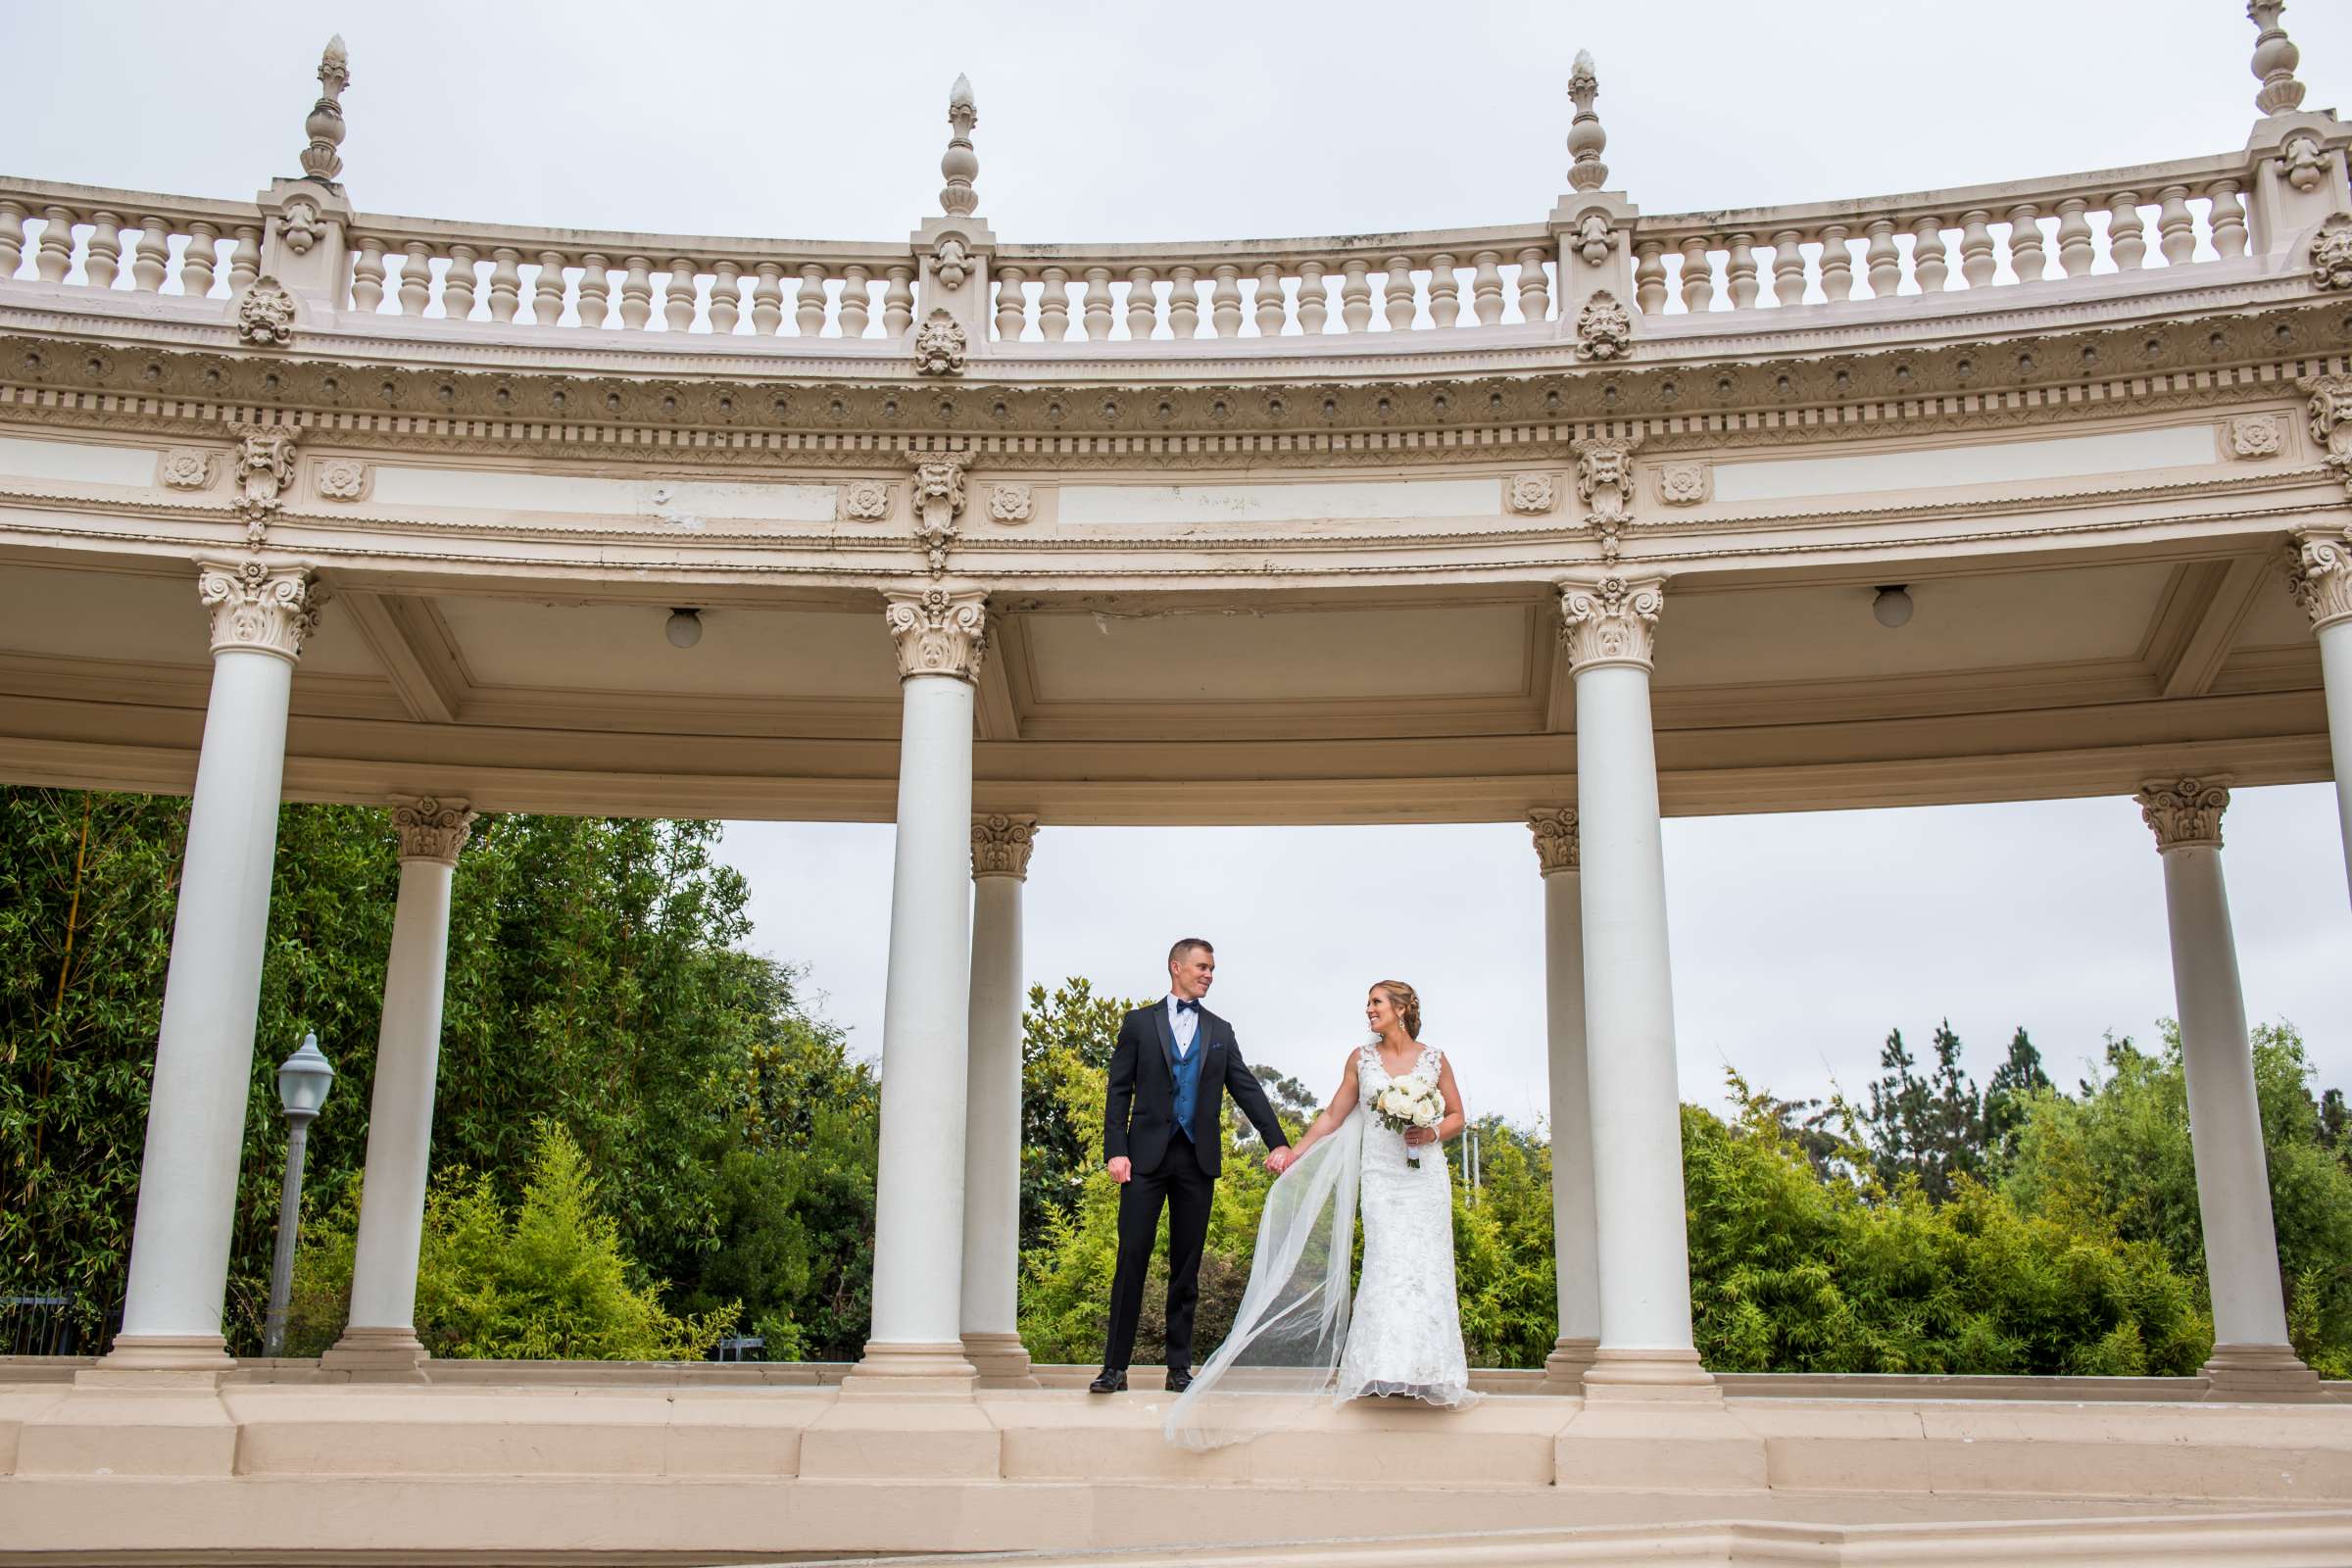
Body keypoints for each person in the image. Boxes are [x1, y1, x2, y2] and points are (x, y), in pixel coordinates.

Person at [1163, 978, 1478, 1447]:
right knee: (1387, 1263)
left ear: (1401, 1008)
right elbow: (1333, 1114)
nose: (1368, 1010)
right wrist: (1294, 1152)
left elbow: (1457, 1115)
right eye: (1368, 1003)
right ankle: (1381, 1366)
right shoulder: (1361, 1058)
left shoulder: (1435, 1059)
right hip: (1381, 1176)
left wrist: (1430, 1132)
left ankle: (1431, 1369)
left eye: (1375, 1003)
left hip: (1424, 1177)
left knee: (1428, 1267)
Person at [1091, 937, 1295, 1395]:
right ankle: (1114, 1368)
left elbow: (1246, 1088)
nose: (1208, 974)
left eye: (1212, 969)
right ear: (1175, 966)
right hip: (1143, 1161)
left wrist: (1277, 1142)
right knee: (1132, 1259)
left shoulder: (1221, 1030)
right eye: (1202, 967)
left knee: (1186, 1266)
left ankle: (1178, 1368)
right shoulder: (1138, 1024)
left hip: (1196, 1161)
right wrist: (1115, 1150)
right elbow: (1118, 1090)